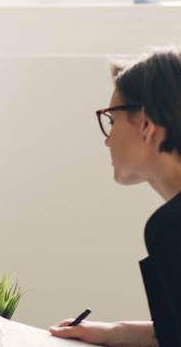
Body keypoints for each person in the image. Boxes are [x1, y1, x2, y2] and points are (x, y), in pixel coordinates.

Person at [49, 47, 181, 347]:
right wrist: (112, 333)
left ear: (146, 125)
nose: (108, 141)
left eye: (111, 120)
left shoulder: (172, 226)